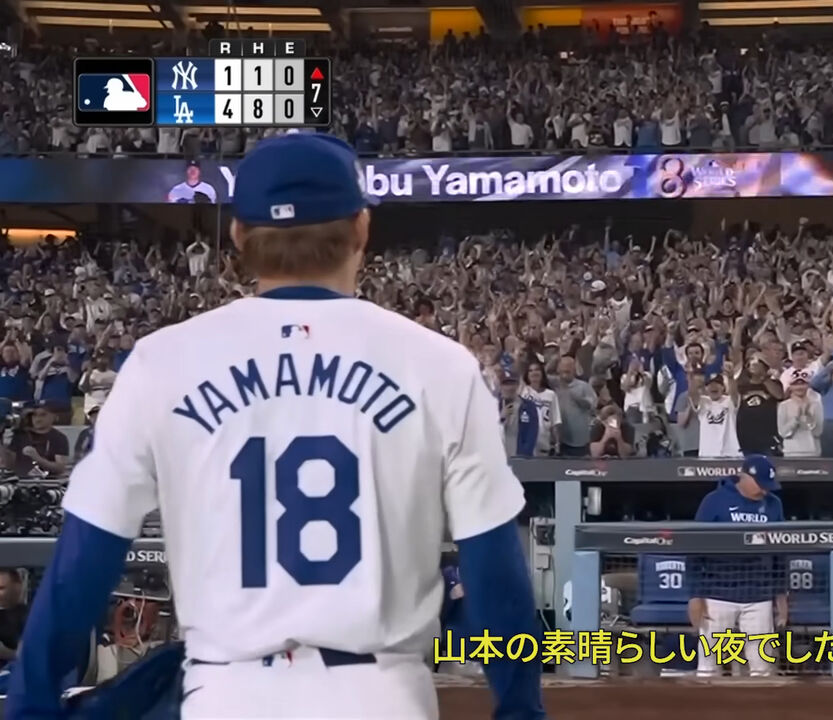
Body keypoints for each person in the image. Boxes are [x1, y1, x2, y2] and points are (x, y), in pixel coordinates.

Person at [6, 135, 545, 719]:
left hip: (226, 693)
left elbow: (86, 559)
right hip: (384, 693)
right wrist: (520, 707)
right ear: (361, 228)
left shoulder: (163, 361)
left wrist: (31, 706)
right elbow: (494, 570)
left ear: (239, 235)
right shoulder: (440, 364)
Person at [689, 455, 785, 678]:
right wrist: (695, 596)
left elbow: (781, 553)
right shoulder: (714, 501)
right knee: (708, 668)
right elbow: (693, 549)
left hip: (759, 595)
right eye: (761, 485)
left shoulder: (774, 504)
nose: (765, 491)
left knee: (762, 668)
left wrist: (780, 594)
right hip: (717, 594)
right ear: (745, 477)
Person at [0, 401, 70, 477]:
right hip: (20, 480)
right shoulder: (20, 436)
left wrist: (37, 458)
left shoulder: (59, 438)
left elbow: (60, 468)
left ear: (54, 416)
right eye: (34, 415)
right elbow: (9, 465)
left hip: (48, 481)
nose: (38, 419)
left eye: (43, 415)